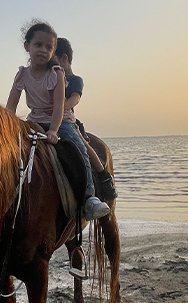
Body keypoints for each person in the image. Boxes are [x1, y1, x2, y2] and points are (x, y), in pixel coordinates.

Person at [6, 21, 110, 220]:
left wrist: (54, 130)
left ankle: (89, 198)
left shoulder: (56, 74)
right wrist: (6, 125)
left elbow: (59, 106)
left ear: (53, 51)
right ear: (27, 46)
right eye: (38, 45)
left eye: (49, 47)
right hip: (34, 119)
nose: (43, 50)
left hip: (60, 120)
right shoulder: (22, 75)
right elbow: (11, 103)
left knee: (79, 148)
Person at [55, 37, 118, 201]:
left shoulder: (75, 80)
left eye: (53, 60)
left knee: (82, 145)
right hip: (46, 117)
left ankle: (103, 176)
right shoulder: (50, 77)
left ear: (64, 59)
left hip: (66, 119)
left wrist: (61, 108)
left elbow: (75, 98)